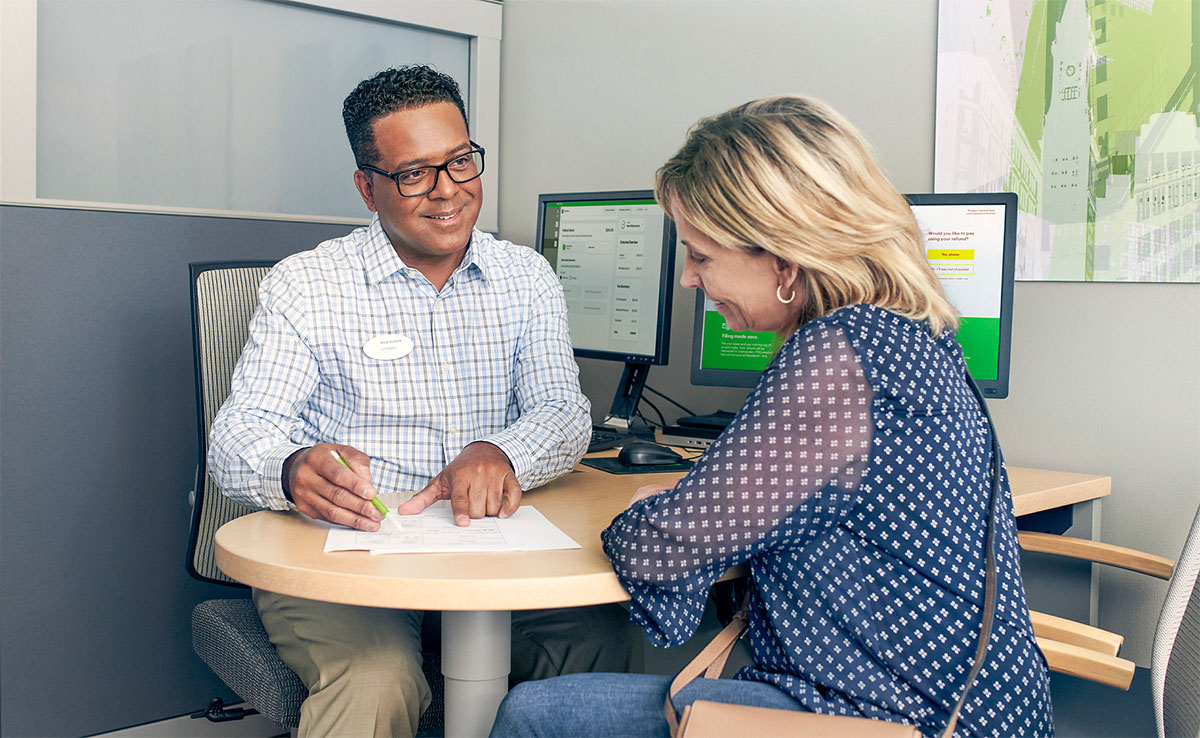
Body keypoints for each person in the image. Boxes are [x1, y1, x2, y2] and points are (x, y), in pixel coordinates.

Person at [490, 95, 1053, 738]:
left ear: (784, 259)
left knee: (533, 715)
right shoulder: (903, 332)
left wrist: (656, 508)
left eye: (701, 256)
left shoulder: (838, 357)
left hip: (895, 719)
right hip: (972, 707)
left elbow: (658, 548)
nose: (688, 280)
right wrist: (701, 504)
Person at [208, 65, 637, 738]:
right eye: (414, 173)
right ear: (367, 188)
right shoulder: (307, 285)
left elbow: (562, 411)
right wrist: (291, 469)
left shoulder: (526, 277)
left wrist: (500, 452)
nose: (448, 190)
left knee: (591, 650)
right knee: (376, 681)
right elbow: (241, 431)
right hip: (347, 550)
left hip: (491, 544)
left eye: (460, 161)